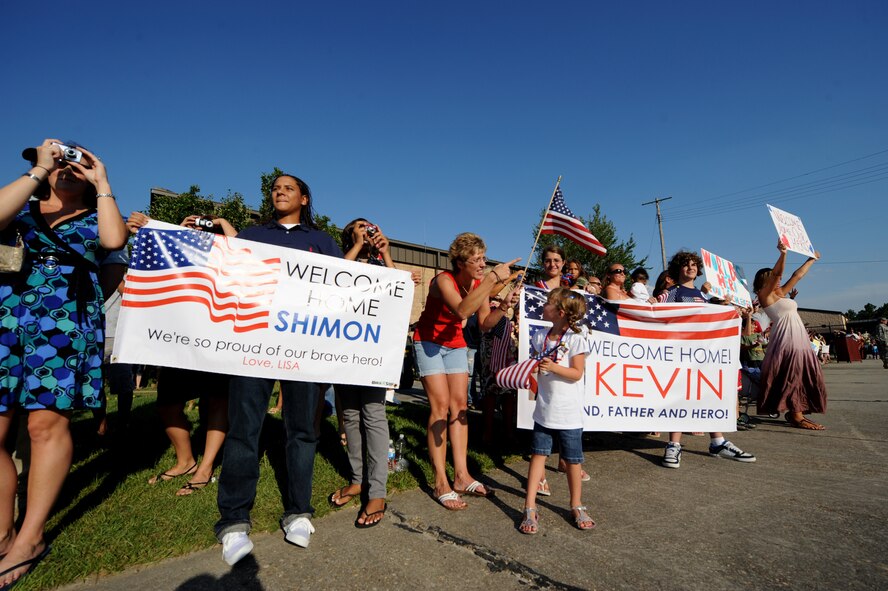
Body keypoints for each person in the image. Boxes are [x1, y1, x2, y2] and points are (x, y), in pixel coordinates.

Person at [0, 139, 128, 588]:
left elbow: (113, 242)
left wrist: (103, 180)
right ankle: (2, 532)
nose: (65, 166)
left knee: (43, 427)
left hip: (62, 327)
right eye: (59, 159)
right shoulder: (17, 209)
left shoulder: (98, 217)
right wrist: (38, 169)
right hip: (5, 322)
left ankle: (29, 538)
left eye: (76, 161)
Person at [215, 173, 341, 565]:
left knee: (302, 430)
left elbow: (347, 289)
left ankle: (299, 512)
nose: (279, 191)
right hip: (253, 343)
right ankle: (234, 522)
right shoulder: (251, 235)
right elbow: (226, 276)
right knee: (244, 429)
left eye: (288, 187)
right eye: (275, 187)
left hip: (304, 348)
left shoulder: (322, 242)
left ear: (304, 198)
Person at [414, 233, 519, 510]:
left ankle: (461, 475)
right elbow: (462, 311)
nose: (483, 264)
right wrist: (491, 282)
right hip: (428, 342)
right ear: (460, 262)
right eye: (477, 260)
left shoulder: (478, 283)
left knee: (460, 407)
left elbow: (484, 323)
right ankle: (440, 481)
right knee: (441, 406)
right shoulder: (443, 280)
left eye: (484, 258)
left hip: (455, 344)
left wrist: (505, 307)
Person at [327, 218, 397, 528]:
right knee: (351, 417)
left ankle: (377, 491)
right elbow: (334, 280)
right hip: (344, 347)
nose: (368, 231)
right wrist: (357, 246)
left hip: (373, 351)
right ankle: (357, 480)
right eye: (360, 228)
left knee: (373, 414)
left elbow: (398, 292)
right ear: (349, 235)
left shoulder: (381, 262)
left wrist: (387, 253)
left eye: (371, 228)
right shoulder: (340, 258)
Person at [659, 251, 755, 468]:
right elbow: (656, 305)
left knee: (708, 394)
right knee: (680, 397)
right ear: (677, 269)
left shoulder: (705, 296)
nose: (690, 268)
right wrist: (651, 300)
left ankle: (718, 441)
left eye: (694, 265)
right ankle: (674, 444)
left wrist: (726, 308)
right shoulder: (672, 292)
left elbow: (712, 319)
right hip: (679, 354)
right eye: (685, 265)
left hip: (705, 356)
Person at [519, 288, 594, 534]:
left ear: (560, 312)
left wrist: (553, 367)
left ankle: (576, 505)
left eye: (548, 303)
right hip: (544, 411)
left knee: (573, 461)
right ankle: (529, 506)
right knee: (538, 456)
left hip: (569, 414)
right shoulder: (540, 336)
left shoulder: (576, 338)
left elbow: (576, 373)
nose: (543, 305)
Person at [754, 241, 827, 429]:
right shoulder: (765, 295)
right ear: (765, 281)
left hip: (799, 338)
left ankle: (798, 411)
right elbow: (778, 273)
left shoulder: (780, 293)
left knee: (805, 374)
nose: (778, 280)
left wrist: (812, 259)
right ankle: (796, 415)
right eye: (772, 278)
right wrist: (783, 253)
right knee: (793, 375)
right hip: (786, 340)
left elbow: (797, 276)